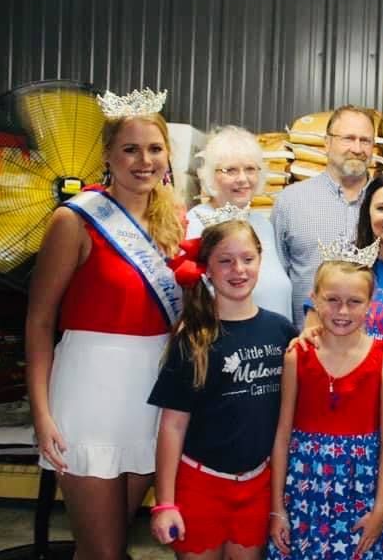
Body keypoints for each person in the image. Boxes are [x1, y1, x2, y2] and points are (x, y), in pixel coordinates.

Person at [25, 88, 184, 559]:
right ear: (109, 155)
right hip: (88, 391)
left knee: (104, 545)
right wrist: (40, 411)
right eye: (130, 149)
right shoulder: (73, 220)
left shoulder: (173, 223)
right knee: (105, 551)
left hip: (150, 395)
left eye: (154, 149)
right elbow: (38, 323)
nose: (143, 160)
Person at [302, 172, 383, 560]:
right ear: (368, 214)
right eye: (382, 207)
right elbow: (314, 330)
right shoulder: (347, 267)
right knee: (338, 520)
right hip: (341, 415)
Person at [148, 218, 297, 559]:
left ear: (261, 260)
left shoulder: (282, 332)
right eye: (225, 260)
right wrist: (165, 502)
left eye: (247, 258)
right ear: (207, 269)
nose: (238, 269)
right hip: (200, 485)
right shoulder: (194, 339)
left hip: (258, 485)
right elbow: (171, 425)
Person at [268, 246, 383, 560]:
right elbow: (282, 434)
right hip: (303, 488)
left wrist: (381, 508)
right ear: (314, 298)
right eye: (332, 300)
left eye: (354, 302)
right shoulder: (296, 355)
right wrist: (276, 508)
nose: (343, 312)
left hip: (361, 488)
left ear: (370, 304)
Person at [272, 105, 375, 327]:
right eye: (348, 138)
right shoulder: (290, 202)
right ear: (327, 144)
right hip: (308, 347)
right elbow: (277, 279)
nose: (357, 148)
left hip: (373, 350)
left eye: (365, 140)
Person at [189, 125, 293, 321]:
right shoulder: (195, 223)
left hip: (275, 342)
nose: (243, 179)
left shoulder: (263, 225)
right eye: (231, 170)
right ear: (211, 175)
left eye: (250, 169)